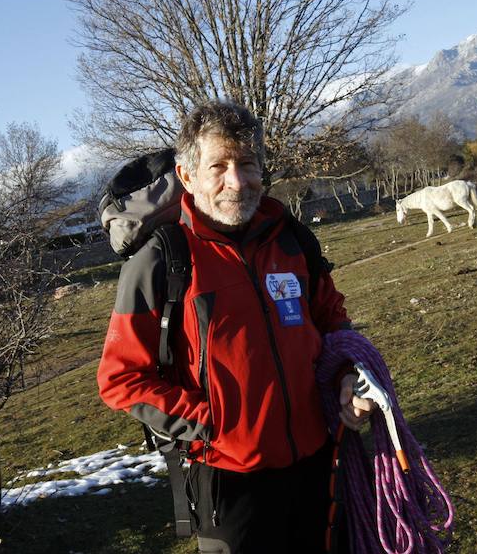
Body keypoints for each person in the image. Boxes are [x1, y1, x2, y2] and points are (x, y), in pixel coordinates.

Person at [97, 100, 374, 554]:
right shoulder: (161, 262)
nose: (236, 181)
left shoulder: (292, 239)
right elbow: (120, 378)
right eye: (218, 166)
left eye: (247, 164)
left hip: (319, 463)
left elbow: (331, 324)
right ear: (188, 175)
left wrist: (346, 379)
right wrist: (213, 424)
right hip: (230, 477)